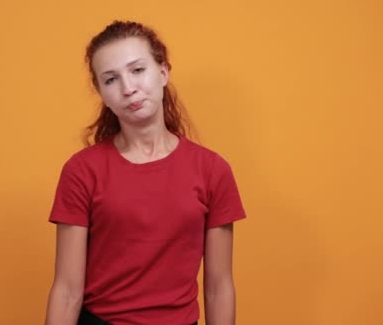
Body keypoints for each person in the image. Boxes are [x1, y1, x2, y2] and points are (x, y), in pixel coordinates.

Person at [44, 20, 246, 325]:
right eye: (111, 79)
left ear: (163, 72)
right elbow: (67, 290)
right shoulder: (82, 170)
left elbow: (219, 288)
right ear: (101, 92)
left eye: (138, 70)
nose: (128, 88)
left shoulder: (212, 170)